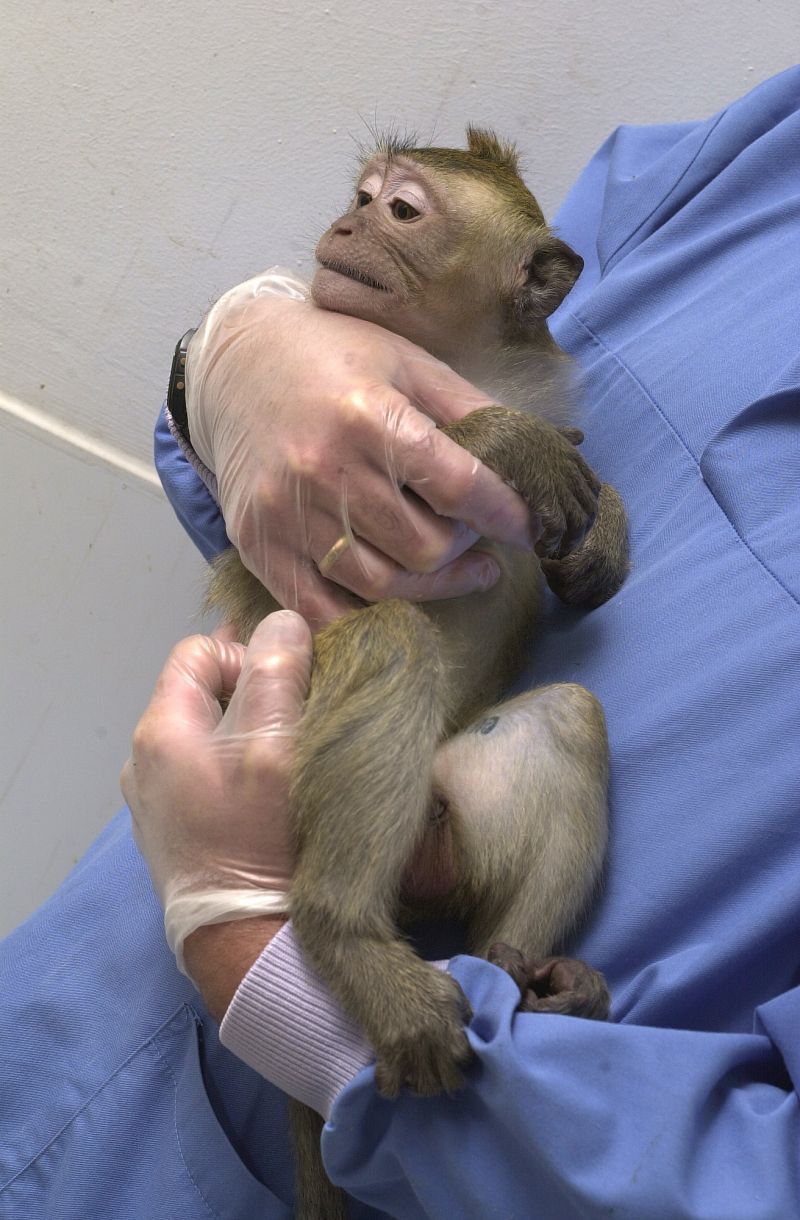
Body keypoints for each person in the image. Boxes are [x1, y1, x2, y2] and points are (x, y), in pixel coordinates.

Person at [2, 67, 799, 1219]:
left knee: (560, 722)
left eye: (404, 208)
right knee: (387, 646)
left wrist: (303, 1016)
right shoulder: (766, 155)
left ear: (529, 282)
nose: (354, 223)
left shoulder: (529, 311)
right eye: (364, 195)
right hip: (113, 980)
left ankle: (501, 967)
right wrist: (234, 358)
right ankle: (352, 929)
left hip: (468, 1111)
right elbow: (297, 504)